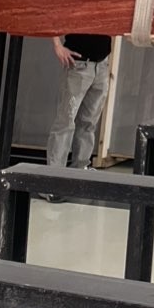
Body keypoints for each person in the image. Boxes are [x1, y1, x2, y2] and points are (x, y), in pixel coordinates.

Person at [44, 35, 112, 198]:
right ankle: (53, 179)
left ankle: (80, 170)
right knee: (66, 122)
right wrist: (57, 45)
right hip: (79, 64)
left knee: (89, 123)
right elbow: (51, 20)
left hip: (101, 65)